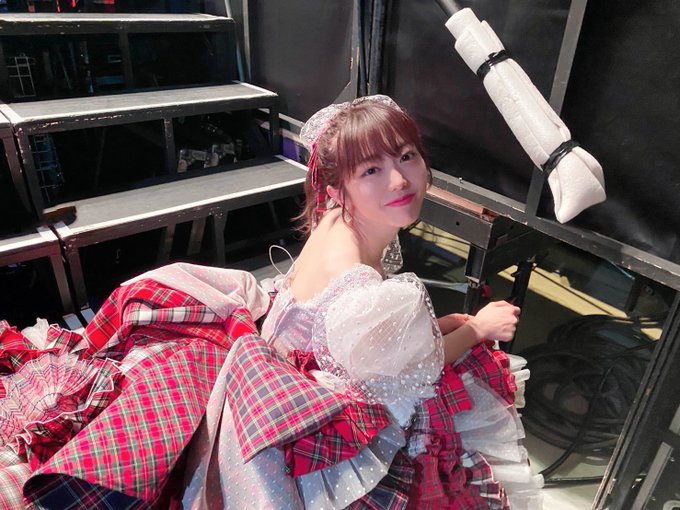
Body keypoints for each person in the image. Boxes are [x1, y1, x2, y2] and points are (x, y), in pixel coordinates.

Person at [181, 95, 543, 509]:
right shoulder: (359, 281)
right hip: (308, 421)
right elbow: (414, 371)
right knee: (457, 408)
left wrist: (436, 328)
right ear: (337, 190)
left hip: (291, 380)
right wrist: (479, 327)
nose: (399, 180)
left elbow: (364, 340)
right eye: (371, 170)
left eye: (406, 156)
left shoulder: (335, 219)